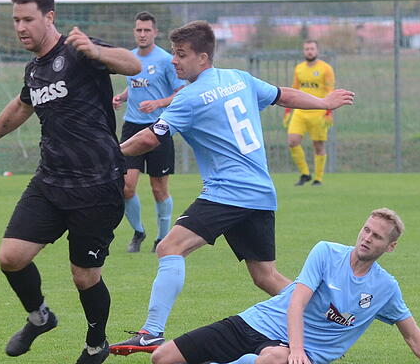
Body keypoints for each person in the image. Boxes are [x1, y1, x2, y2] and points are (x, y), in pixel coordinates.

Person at [109, 20, 355, 356]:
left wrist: (111, 151)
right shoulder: (239, 78)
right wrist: (325, 101)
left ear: (203, 58)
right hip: (260, 192)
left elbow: (151, 138)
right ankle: (328, 319)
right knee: (266, 276)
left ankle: (151, 332)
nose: (174, 61)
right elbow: (284, 95)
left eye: (181, 55)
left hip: (228, 192)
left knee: (170, 248)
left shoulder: (190, 97)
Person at [0, 0, 141, 364]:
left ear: (49, 17)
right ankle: (40, 318)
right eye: (16, 20)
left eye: (28, 19)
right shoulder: (35, 69)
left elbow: (133, 64)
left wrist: (97, 51)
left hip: (98, 183)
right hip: (52, 181)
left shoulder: (79, 50)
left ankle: (96, 344)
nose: (21, 27)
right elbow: (20, 107)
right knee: (10, 257)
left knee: (84, 276)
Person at [150, 208, 420, 364]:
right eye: (366, 229)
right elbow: (296, 303)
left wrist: (297, 353)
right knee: (163, 358)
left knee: (275, 359)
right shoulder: (326, 252)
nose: (367, 238)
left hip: (287, 348)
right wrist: (298, 351)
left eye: (377, 236)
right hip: (258, 321)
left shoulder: (385, 288)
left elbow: (414, 337)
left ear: (390, 247)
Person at [113, 11, 186, 253]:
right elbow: (134, 87)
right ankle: (138, 231)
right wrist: (122, 97)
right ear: (134, 32)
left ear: (155, 32)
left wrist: (158, 103)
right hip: (132, 127)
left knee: (158, 188)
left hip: (159, 128)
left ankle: (162, 238)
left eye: (147, 30)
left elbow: (179, 93)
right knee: (126, 186)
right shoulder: (130, 58)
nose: (142, 34)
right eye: (138, 30)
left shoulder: (166, 60)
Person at [283, 40, 335, 186]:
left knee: (318, 145)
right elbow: (294, 89)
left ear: (317, 50)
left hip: (318, 112)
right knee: (292, 141)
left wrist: (328, 112)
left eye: (312, 49)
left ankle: (318, 178)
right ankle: (305, 173)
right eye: (306, 49)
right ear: (303, 51)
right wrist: (288, 111)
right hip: (300, 112)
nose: (309, 51)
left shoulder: (326, 69)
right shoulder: (299, 68)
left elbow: (329, 91)